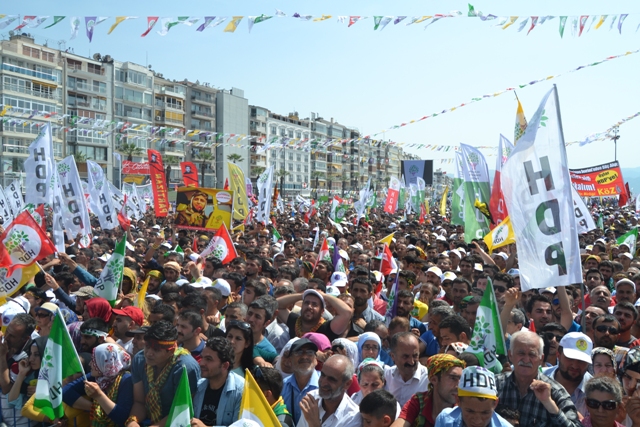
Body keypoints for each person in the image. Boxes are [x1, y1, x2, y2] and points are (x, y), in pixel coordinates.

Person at [495, 330, 581, 427]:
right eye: (521, 353)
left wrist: (549, 404)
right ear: (510, 355)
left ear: (541, 358)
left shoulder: (555, 392)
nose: (526, 360)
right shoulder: (495, 385)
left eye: (532, 354)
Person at [126, 321, 200, 427]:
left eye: (156, 350)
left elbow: (182, 411)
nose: (149, 353)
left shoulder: (185, 367)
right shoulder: (140, 359)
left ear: (171, 351)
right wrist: (132, 422)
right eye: (147, 346)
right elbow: (139, 402)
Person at [63, 343, 134, 427]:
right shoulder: (98, 377)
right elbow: (66, 391)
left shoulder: (126, 379)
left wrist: (99, 396)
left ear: (106, 361)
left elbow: (122, 418)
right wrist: (95, 407)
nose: (90, 364)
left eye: (94, 360)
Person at [391, 354, 465, 427]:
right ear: (434, 380)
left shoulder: (465, 409)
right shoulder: (418, 402)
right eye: (453, 378)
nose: (459, 386)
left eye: (461, 379)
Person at [434, 366, 512, 427]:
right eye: (470, 411)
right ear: (458, 400)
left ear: (495, 404)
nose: (478, 421)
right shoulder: (444, 420)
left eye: (485, 413)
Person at [192, 337, 245, 427]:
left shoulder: (241, 391)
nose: (201, 363)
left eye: (208, 359)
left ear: (225, 365)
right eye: (202, 358)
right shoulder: (198, 386)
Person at [297, 354, 361, 427]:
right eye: (322, 375)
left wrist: (314, 424)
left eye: (331, 379)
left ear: (347, 384)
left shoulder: (353, 417)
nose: (323, 383)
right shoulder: (311, 399)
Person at [542, 332, 594, 416]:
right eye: (570, 358)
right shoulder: (539, 377)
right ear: (558, 355)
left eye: (581, 361)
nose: (575, 365)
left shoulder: (595, 390)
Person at [385, 332, 430, 407]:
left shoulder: (428, 379)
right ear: (393, 356)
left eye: (415, 356)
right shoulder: (387, 375)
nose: (411, 362)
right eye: (405, 356)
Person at [282, 338, 320, 425]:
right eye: (298, 352)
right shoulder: (283, 386)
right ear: (290, 360)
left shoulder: (324, 385)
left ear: (316, 359)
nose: (304, 356)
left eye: (310, 352)